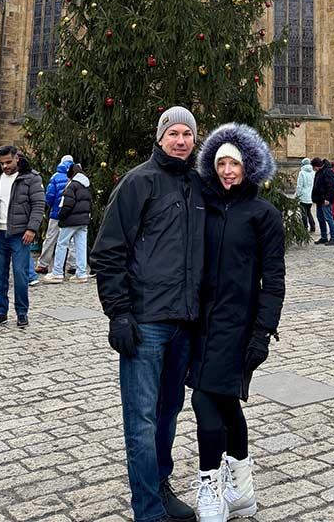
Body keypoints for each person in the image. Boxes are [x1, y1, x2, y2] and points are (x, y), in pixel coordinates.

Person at [89, 106, 205, 522]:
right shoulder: (139, 182)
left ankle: (159, 483)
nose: (180, 140)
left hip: (184, 323)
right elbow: (108, 251)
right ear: (160, 138)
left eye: (187, 134)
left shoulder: (198, 185)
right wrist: (118, 313)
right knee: (140, 419)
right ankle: (148, 511)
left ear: (195, 139)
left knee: (169, 411)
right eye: (172, 132)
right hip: (146, 321)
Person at [189, 123, 285, 522]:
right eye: (221, 162)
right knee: (226, 403)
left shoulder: (263, 213)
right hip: (198, 321)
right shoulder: (203, 206)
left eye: (235, 163)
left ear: (249, 166)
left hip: (237, 323)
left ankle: (210, 484)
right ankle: (242, 490)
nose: (228, 170)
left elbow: (274, 280)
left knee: (203, 399)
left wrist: (263, 332)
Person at [0, 147, 45, 329]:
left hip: (20, 235)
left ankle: (22, 313)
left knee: (21, 275)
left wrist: (31, 228)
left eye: (8, 162)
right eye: (2, 163)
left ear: (16, 159)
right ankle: (1, 313)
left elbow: (38, 205)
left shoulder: (31, 178)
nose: (5, 166)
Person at [43, 162, 92, 284]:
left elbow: (67, 204)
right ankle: (81, 273)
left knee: (62, 244)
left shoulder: (72, 185)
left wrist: (61, 216)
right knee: (81, 246)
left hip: (70, 220)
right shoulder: (86, 185)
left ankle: (57, 272)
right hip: (83, 220)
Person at [35, 153, 74, 273]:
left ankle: (43, 264)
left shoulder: (56, 176)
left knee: (51, 238)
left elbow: (50, 195)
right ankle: (72, 265)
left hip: (56, 212)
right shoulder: (75, 176)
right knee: (72, 240)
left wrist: (51, 205)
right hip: (71, 213)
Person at [311, 157, 334, 246]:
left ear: (317, 166)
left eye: (313, 167)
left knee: (329, 218)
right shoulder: (319, 172)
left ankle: (333, 238)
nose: (313, 169)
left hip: (326, 200)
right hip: (320, 199)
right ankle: (324, 237)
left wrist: (327, 198)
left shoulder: (328, 172)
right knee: (320, 218)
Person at [294, 157, 315, 234]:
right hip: (311, 195)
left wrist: (297, 196)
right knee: (308, 212)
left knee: (303, 213)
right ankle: (313, 226)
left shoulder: (302, 173)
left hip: (303, 196)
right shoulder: (313, 172)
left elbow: (299, 186)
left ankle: (305, 227)